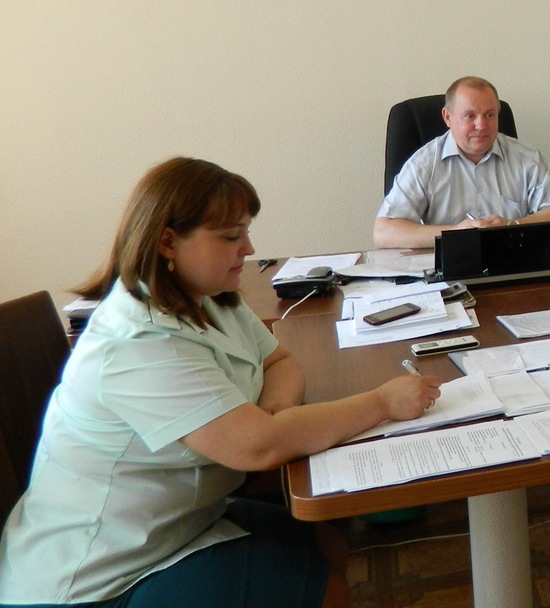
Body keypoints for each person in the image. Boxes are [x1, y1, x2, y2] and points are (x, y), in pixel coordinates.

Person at [0, 157, 442, 608]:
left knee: (327, 542)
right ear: (168, 243)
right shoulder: (137, 341)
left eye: (246, 232)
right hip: (99, 573)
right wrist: (381, 402)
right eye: (231, 237)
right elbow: (256, 448)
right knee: (320, 586)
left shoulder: (210, 296)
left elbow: (279, 361)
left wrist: (276, 415)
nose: (249, 248)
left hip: (177, 520)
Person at [373, 76, 550, 249]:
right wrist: (454, 233)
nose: (481, 125)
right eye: (470, 116)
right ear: (447, 117)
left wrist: (511, 226)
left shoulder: (525, 158)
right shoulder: (423, 164)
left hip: (510, 261)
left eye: (489, 115)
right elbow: (383, 232)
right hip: (451, 268)